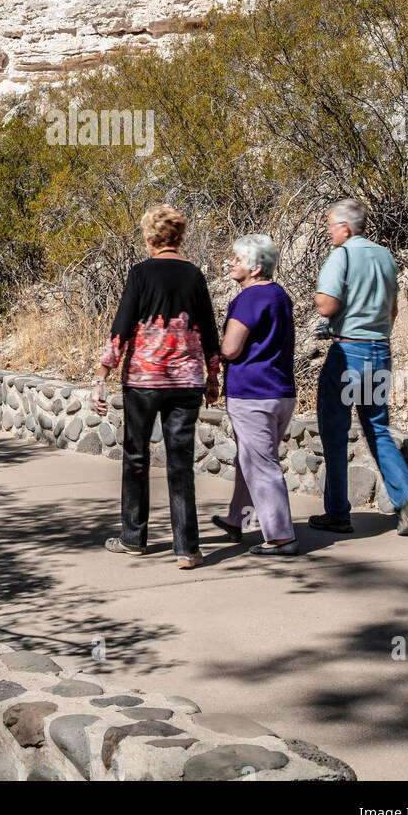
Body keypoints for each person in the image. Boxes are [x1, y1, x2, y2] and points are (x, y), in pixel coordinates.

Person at [92, 205, 220, 570]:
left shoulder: (141, 274)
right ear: (178, 237)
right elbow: (208, 331)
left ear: (150, 239)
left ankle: (133, 538)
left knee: (136, 457)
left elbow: (122, 327)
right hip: (186, 381)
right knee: (181, 463)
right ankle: (187, 548)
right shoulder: (194, 275)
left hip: (144, 380)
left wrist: (102, 375)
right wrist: (213, 376)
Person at [311, 198, 408, 536]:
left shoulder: (343, 255)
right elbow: (392, 310)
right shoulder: (385, 256)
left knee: (334, 431)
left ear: (345, 228)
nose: (328, 230)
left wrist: (322, 301)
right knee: (377, 427)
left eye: (331, 225)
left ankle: (337, 512)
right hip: (380, 350)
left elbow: (326, 305)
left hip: (348, 352)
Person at [212, 234, 299, 557]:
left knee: (261, 465)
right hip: (280, 391)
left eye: (238, 259)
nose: (232, 263)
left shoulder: (249, 299)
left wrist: (215, 353)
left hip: (251, 393)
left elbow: (231, 349)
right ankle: (238, 519)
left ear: (257, 267)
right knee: (250, 459)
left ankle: (280, 536)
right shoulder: (279, 295)